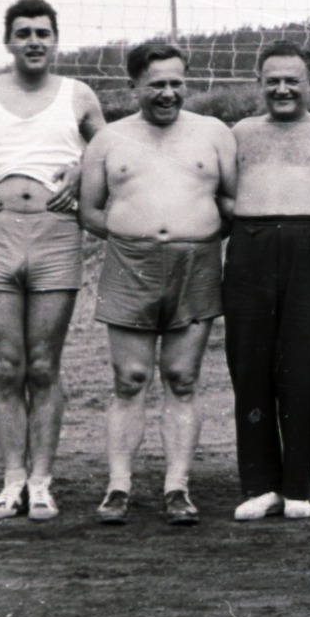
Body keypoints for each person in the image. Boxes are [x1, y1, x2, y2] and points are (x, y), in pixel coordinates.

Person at [0, 0, 105, 521]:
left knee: (42, 365)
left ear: (56, 40)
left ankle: (41, 481)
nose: (34, 41)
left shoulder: (78, 94)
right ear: (9, 41)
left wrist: (79, 178)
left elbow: (107, 148)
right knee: (6, 366)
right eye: (24, 33)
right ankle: (11, 479)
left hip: (56, 235)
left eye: (43, 33)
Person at [79, 42, 236, 525]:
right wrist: (136, 235)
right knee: (130, 379)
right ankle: (118, 487)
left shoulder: (214, 133)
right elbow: (88, 210)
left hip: (197, 264)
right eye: (156, 85)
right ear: (134, 88)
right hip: (130, 265)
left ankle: (177, 488)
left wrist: (194, 236)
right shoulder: (108, 139)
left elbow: (232, 203)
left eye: (176, 83)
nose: (168, 94)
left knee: (182, 378)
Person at [223, 41, 310, 521]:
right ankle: (259, 484)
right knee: (250, 366)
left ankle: (296, 486)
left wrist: (300, 232)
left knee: (304, 366)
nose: (283, 88)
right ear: (259, 83)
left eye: (292, 79)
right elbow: (221, 194)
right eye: (273, 80)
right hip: (250, 245)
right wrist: (258, 228)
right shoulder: (240, 133)